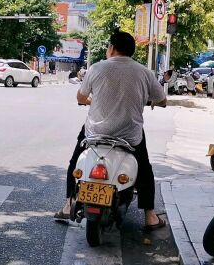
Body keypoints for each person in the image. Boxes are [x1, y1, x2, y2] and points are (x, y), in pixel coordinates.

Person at [54, 30, 168, 231]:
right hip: (129, 136)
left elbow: (81, 98)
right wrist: (148, 100)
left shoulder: (96, 68)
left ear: (112, 48)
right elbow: (162, 100)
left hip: (95, 133)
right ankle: (150, 216)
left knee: (75, 160)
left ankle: (68, 205)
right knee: (145, 170)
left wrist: (91, 101)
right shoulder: (144, 72)